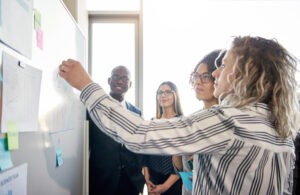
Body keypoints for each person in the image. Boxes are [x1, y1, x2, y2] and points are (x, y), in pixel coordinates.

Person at [59, 36, 300, 195]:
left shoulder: (230, 121)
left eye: (224, 65)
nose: (215, 73)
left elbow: (138, 133)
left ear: (245, 74)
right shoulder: (281, 130)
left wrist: (86, 85)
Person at [172, 49, 226, 195]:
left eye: (205, 77)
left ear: (219, 77)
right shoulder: (190, 119)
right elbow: (181, 169)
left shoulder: (228, 121)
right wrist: (177, 149)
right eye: (196, 76)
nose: (197, 81)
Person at [88, 65, 145, 195]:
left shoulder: (136, 112)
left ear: (130, 84)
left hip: (130, 182)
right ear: (109, 81)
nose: (120, 81)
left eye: (125, 78)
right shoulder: (95, 108)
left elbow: (139, 146)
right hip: (102, 181)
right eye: (116, 77)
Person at [143, 81, 183, 195]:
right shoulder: (151, 122)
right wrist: (147, 177)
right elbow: (145, 153)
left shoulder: (182, 122)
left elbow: (182, 162)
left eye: (167, 92)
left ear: (175, 95)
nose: (163, 95)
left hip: (174, 182)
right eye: (160, 92)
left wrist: (165, 186)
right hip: (153, 180)